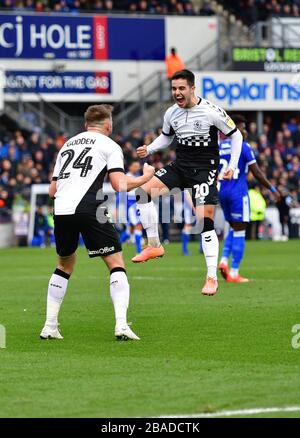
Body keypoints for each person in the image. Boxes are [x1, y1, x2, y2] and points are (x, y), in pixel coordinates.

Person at [40, 104, 155, 341]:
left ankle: (50, 326)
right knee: (115, 262)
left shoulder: (66, 146)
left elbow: (52, 190)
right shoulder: (109, 145)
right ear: (108, 124)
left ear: (85, 125)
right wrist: (145, 177)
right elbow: (119, 184)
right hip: (89, 205)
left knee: (64, 265)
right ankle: (121, 325)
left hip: (61, 208)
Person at [132, 69, 243, 296]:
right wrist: (150, 148)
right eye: (174, 89)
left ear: (193, 88)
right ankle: (154, 245)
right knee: (142, 193)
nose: (177, 93)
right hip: (180, 167)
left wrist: (232, 166)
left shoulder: (211, 111)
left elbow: (236, 135)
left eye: (181, 88)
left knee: (205, 222)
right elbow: (167, 136)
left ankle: (211, 277)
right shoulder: (171, 113)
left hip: (204, 171)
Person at [218, 115, 281, 282]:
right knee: (240, 231)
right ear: (236, 129)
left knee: (232, 227)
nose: (245, 131)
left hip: (222, 192)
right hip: (238, 193)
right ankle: (234, 272)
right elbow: (257, 173)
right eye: (242, 128)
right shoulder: (243, 147)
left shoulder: (220, 146)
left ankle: (223, 260)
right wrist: (272, 189)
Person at [117, 159, 143, 255]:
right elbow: (120, 194)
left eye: (138, 166)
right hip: (131, 206)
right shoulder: (126, 177)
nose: (137, 168)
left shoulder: (137, 176)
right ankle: (139, 251)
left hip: (136, 205)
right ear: (130, 167)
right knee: (138, 226)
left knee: (130, 230)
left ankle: (115, 248)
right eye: (135, 166)